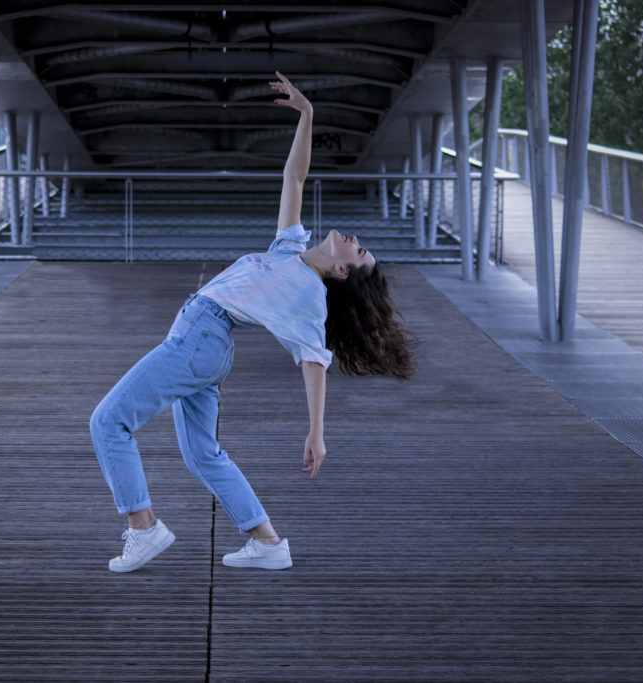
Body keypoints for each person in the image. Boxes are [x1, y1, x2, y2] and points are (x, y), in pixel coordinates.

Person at [90, 72, 416, 573]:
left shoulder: (310, 297)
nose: (355, 237)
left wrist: (316, 433)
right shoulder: (289, 250)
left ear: (344, 269)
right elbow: (294, 179)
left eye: (361, 247)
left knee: (109, 422)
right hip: (204, 343)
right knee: (203, 455)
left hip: (202, 336)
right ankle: (268, 543)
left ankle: (143, 526)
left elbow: (314, 360)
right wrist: (307, 114)